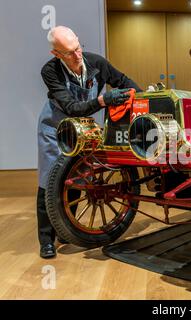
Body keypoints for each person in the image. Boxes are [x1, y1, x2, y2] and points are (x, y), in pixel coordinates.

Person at [37, 26, 142, 258]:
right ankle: (46, 240)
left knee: (75, 179)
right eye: (70, 52)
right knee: (48, 183)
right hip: (55, 129)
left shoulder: (96, 63)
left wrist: (144, 96)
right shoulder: (50, 71)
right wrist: (104, 100)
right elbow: (72, 108)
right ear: (57, 54)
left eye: (78, 48)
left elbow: (123, 80)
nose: (77, 55)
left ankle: (65, 229)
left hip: (82, 131)